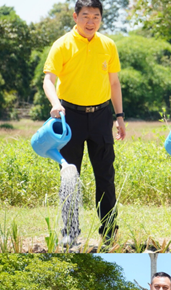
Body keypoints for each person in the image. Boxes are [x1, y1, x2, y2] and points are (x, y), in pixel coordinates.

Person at [42, 0, 124, 244]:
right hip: (69, 117)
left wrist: (119, 116)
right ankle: (70, 234)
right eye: (86, 16)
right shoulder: (62, 45)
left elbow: (115, 84)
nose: (91, 21)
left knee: (106, 176)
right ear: (75, 16)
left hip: (101, 116)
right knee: (70, 176)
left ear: (101, 19)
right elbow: (49, 80)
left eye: (96, 16)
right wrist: (56, 103)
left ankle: (109, 233)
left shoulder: (108, 45)